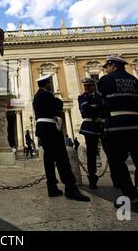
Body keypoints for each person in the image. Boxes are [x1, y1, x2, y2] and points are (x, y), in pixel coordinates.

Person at [97, 56, 138, 214]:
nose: (105, 69)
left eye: (107, 66)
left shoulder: (105, 80)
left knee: (117, 164)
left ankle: (131, 196)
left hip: (117, 127)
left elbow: (102, 101)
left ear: (114, 66)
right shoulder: (135, 80)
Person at [33, 74, 90, 202]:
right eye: (49, 82)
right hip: (50, 128)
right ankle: (70, 188)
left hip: (42, 128)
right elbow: (58, 105)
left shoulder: (37, 96)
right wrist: (56, 98)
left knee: (49, 159)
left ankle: (52, 187)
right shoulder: (47, 95)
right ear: (47, 84)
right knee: (61, 157)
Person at [78, 77, 105, 189]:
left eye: (89, 86)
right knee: (91, 154)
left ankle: (117, 176)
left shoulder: (100, 96)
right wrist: (96, 107)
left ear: (94, 86)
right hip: (90, 127)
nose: (87, 88)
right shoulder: (82, 97)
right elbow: (85, 111)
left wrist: (94, 107)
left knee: (111, 151)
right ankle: (92, 178)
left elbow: (104, 108)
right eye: (85, 86)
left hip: (103, 126)